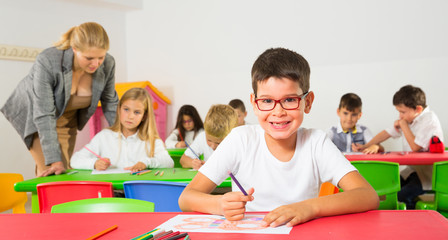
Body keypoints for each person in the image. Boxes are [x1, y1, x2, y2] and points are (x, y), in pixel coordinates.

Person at [178, 48, 379, 227]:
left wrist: (308, 208)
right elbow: (186, 198)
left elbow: (367, 195)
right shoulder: (240, 139)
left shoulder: (316, 142)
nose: (278, 111)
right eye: (266, 101)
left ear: (307, 102)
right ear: (254, 104)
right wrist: (219, 204)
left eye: (290, 99)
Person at [1, 22, 119, 177]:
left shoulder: (108, 63)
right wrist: (54, 160)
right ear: (75, 49)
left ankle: (49, 197)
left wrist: (124, 135)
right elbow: (43, 114)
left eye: (101, 57)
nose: (95, 64)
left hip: (67, 119)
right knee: (52, 169)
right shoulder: (48, 61)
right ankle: (46, 199)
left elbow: (110, 102)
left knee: (65, 170)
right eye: (89, 58)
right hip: (37, 115)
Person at [355, 85, 444, 209]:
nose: (400, 116)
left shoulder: (429, 120)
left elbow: (415, 147)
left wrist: (403, 125)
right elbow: (387, 132)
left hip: (428, 175)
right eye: (399, 112)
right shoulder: (409, 118)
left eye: (402, 112)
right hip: (413, 171)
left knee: (400, 196)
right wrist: (365, 145)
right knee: (388, 191)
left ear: (417, 109)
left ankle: (411, 216)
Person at [71, 88, 174, 172]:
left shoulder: (152, 140)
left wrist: (146, 163)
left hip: (136, 193)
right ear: (119, 109)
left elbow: (168, 162)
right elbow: (75, 160)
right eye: (126, 109)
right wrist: (94, 163)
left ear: (144, 116)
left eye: (137, 112)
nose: (130, 116)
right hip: (111, 193)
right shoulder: (104, 136)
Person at [179, 104, 238, 170]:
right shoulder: (202, 136)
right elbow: (183, 160)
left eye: (218, 143)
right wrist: (193, 163)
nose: (213, 146)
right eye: (209, 140)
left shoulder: (238, 141)